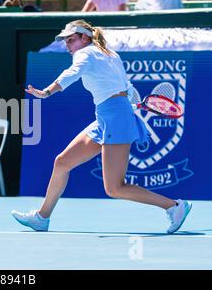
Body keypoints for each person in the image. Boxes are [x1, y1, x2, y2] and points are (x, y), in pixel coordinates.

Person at [11, 20, 192, 234]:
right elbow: (128, 88)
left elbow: (73, 73)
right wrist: (130, 103)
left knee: (114, 188)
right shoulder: (111, 55)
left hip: (115, 116)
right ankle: (42, 218)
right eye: (65, 41)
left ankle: (174, 206)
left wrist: (46, 91)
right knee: (62, 162)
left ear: (84, 38)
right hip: (109, 115)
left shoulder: (85, 54)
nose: (67, 45)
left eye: (71, 40)